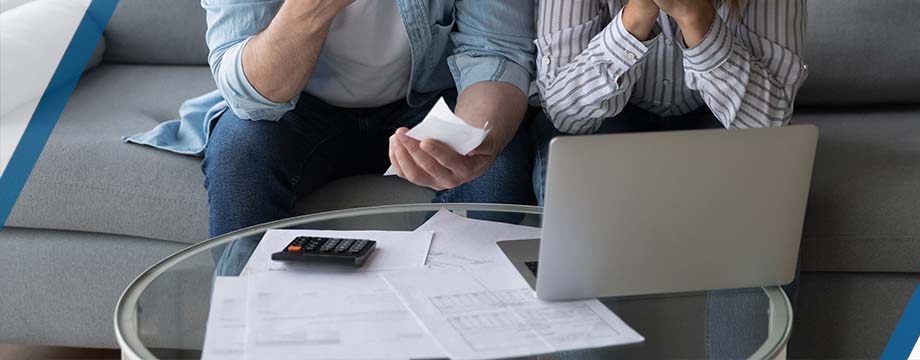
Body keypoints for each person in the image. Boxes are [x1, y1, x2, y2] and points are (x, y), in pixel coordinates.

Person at [124, 0, 537, 275]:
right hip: (298, 106)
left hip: (432, 98)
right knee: (241, 152)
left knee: (497, 163)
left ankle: (453, 329)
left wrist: (475, 144)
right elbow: (249, 97)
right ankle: (249, 334)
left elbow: (497, 51)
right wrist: (310, 10)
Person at [533, 0, 807, 358]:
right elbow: (566, 112)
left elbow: (768, 127)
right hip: (607, 117)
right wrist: (635, 18)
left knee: (761, 209)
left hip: (720, 115)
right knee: (580, 220)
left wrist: (695, 18)